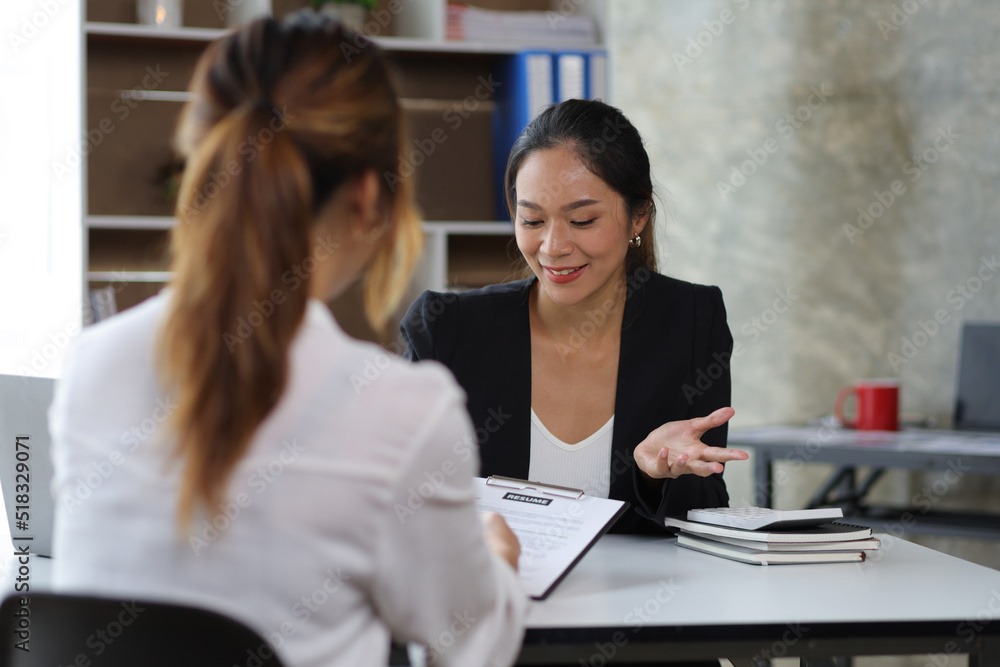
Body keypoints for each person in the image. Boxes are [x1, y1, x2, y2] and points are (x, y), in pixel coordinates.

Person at [49, 12, 525, 667]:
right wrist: (495, 562)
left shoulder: (90, 368)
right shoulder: (402, 411)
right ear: (367, 194)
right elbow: (471, 646)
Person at [402, 99, 749, 535]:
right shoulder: (446, 329)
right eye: (532, 220)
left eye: (582, 220)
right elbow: (399, 500)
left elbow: (707, 510)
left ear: (638, 216)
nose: (552, 247)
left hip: (637, 600)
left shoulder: (693, 321)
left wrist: (654, 476)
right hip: (488, 596)